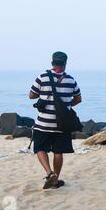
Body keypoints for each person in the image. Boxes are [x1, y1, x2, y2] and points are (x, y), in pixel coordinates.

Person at [29, 52, 82, 189]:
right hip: (62, 124)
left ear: (52, 62)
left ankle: (49, 173)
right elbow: (78, 99)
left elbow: (31, 95)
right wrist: (65, 106)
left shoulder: (43, 77)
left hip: (43, 123)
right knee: (58, 152)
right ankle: (56, 180)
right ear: (65, 63)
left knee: (40, 148)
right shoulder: (71, 80)